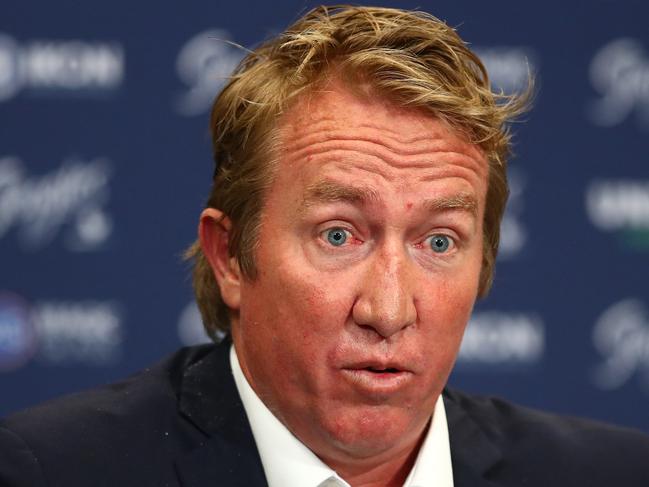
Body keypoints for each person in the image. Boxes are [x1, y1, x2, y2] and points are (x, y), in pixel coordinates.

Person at [1, 5, 648, 487]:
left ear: (483, 263)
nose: (389, 308)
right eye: (338, 234)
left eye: (439, 240)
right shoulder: (49, 469)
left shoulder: (614, 473)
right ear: (229, 255)